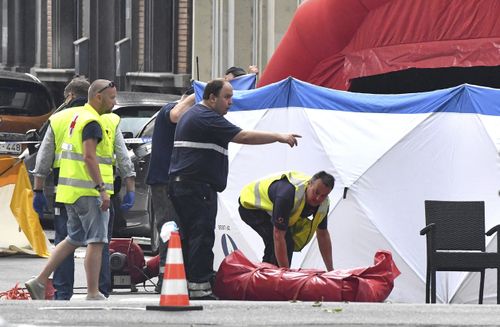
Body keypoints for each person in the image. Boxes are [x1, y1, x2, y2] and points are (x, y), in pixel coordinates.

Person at [168, 78, 300, 300]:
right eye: (226, 97)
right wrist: (279, 137)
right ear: (211, 98)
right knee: (201, 235)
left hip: (186, 185)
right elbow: (244, 136)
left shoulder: (196, 115)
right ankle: (200, 286)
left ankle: (192, 282)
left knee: (191, 236)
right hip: (196, 187)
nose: (231, 102)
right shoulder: (206, 117)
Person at [26, 79, 133, 300]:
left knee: (72, 238)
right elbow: (89, 156)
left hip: (68, 191)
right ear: (97, 96)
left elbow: (45, 158)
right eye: (112, 98)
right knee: (97, 241)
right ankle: (94, 292)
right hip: (90, 191)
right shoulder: (94, 121)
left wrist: (38, 189)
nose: (115, 102)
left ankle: (39, 281)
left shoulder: (69, 118)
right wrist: (103, 189)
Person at [145, 87, 195, 293]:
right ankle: (165, 278)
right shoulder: (171, 110)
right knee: (169, 230)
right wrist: (197, 96)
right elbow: (176, 114)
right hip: (163, 181)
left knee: (178, 230)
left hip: (177, 181)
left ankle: (175, 275)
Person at [238, 171, 335, 271]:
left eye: (324, 195)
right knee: (282, 241)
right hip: (251, 207)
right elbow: (278, 235)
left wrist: (331, 271)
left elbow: (322, 234)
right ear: (309, 184)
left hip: (272, 208)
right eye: (316, 192)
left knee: (284, 243)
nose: (318, 198)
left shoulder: (324, 205)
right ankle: (269, 278)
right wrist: (286, 273)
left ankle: (268, 276)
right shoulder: (288, 194)